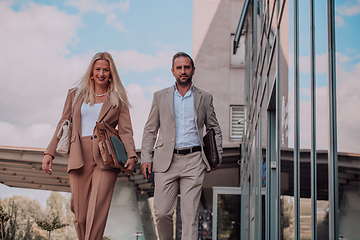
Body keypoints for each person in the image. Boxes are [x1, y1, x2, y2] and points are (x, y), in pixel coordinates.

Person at [42, 52, 137, 240]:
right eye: (98, 69)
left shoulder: (119, 99)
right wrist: (49, 152)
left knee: (97, 211)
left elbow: (126, 131)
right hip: (79, 154)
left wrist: (131, 155)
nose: (101, 73)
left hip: (106, 157)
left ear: (111, 73)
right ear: (92, 72)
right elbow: (63, 124)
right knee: (80, 215)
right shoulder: (75, 95)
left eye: (106, 70)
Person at [141, 52, 223, 240]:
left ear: (193, 70)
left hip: (194, 161)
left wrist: (217, 154)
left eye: (187, 67)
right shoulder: (160, 97)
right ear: (173, 71)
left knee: (189, 217)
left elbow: (214, 127)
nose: (183, 71)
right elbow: (150, 130)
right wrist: (146, 158)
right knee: (162, 213)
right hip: (165, 162)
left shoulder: (205, 98)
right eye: (179, 68)